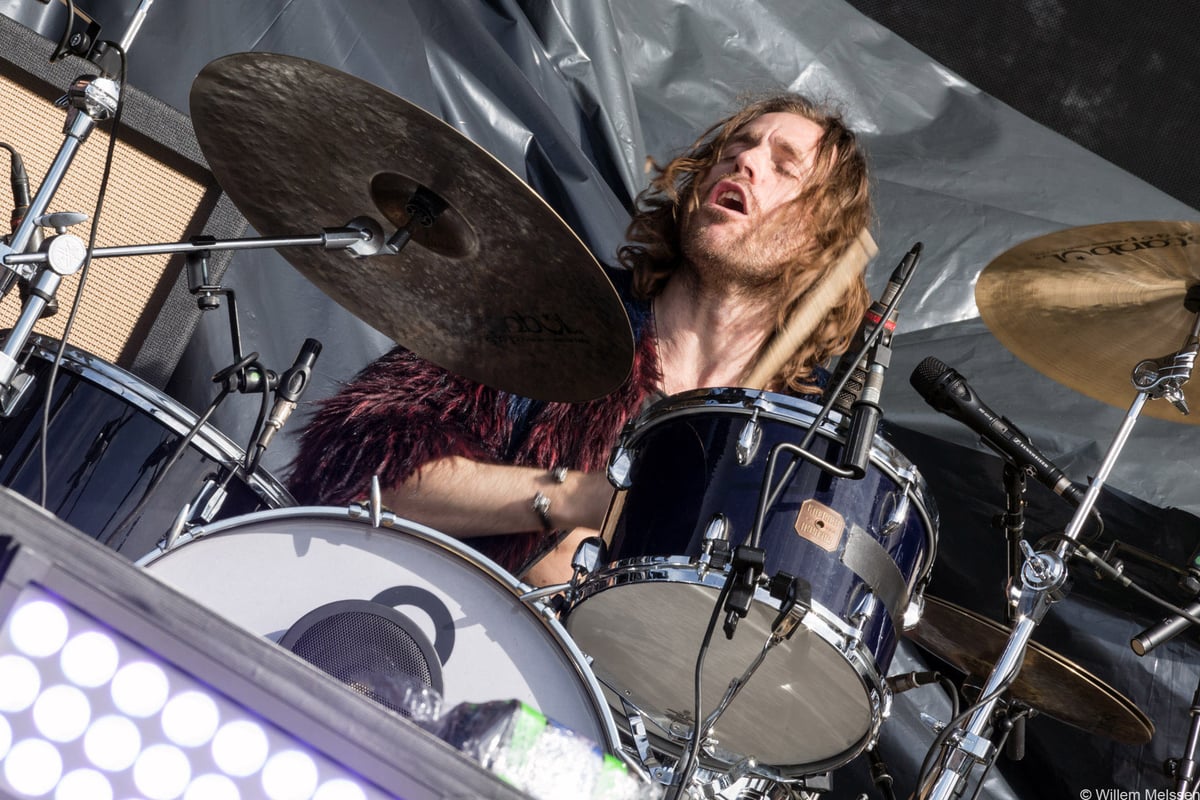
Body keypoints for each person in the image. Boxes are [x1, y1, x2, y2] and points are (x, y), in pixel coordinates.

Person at [286, 92, 872, 586]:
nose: (744, 162)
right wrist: (581, 497)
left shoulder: (805, 439)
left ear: (820, 239)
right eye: (736, 147)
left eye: (784, 166)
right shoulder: (557, 315)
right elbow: (354, 469)